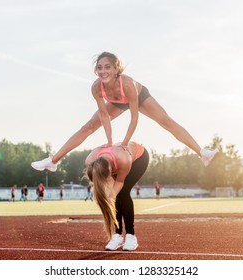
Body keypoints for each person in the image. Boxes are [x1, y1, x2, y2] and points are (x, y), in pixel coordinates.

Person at [31, 52, 218, 172]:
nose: (103, 71)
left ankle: (202, 152)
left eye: (107, 67)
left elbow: (134, 117)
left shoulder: (127, 83)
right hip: (116, 102)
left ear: (116, 69)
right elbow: (104, 116)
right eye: (99, 68)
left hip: (137, 96)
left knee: (165, 121)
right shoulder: (96, 88)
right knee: (87, 127)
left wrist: (125, 143)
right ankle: (52, 161)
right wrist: (111, 142)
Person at [85, 141, 149, 251]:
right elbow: (99, 182)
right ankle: (117, 235)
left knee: (123, 192)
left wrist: (110, 197)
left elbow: (119, 183)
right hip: (113, 157)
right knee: (116, 195)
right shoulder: (90, 161)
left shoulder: (123, 160)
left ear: (111, 170)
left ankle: (131, 236)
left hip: (139, 158)